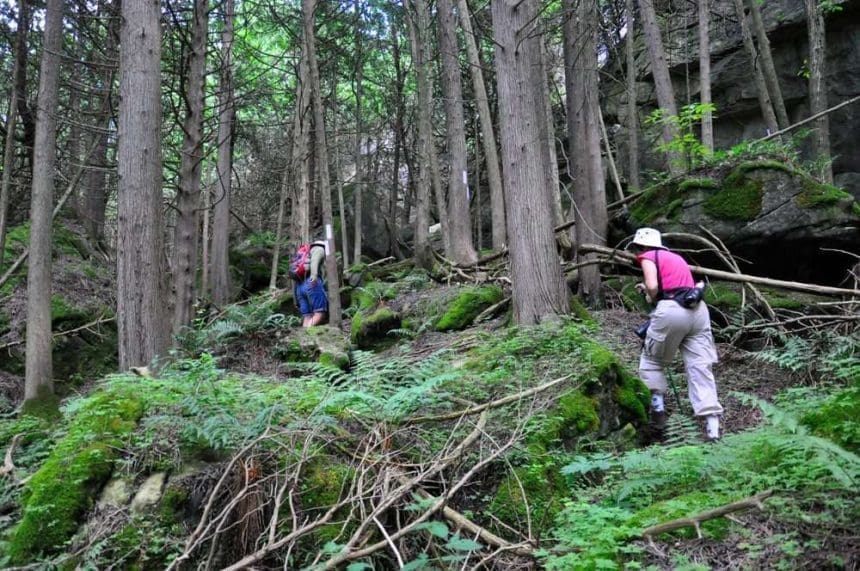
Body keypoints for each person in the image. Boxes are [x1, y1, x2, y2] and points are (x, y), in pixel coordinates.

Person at [630, 227, 723, 441]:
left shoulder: (648, 256)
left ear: (641, 246)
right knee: (700, 367)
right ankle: (712, 429)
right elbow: (676, 283)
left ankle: (658, 416)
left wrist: (650, 295)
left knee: (652, 360)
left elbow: (654, 286)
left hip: (673, 310)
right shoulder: (675, 257)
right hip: (698, 311)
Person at [292, 240, 329, 328]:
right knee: (320, 313)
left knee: (307, 315)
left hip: (299, 286)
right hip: (312, 283)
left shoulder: (306, 253)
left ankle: (303, 336)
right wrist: (314, 276)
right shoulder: (319, 249)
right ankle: (308, 333)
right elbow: (314, 261)